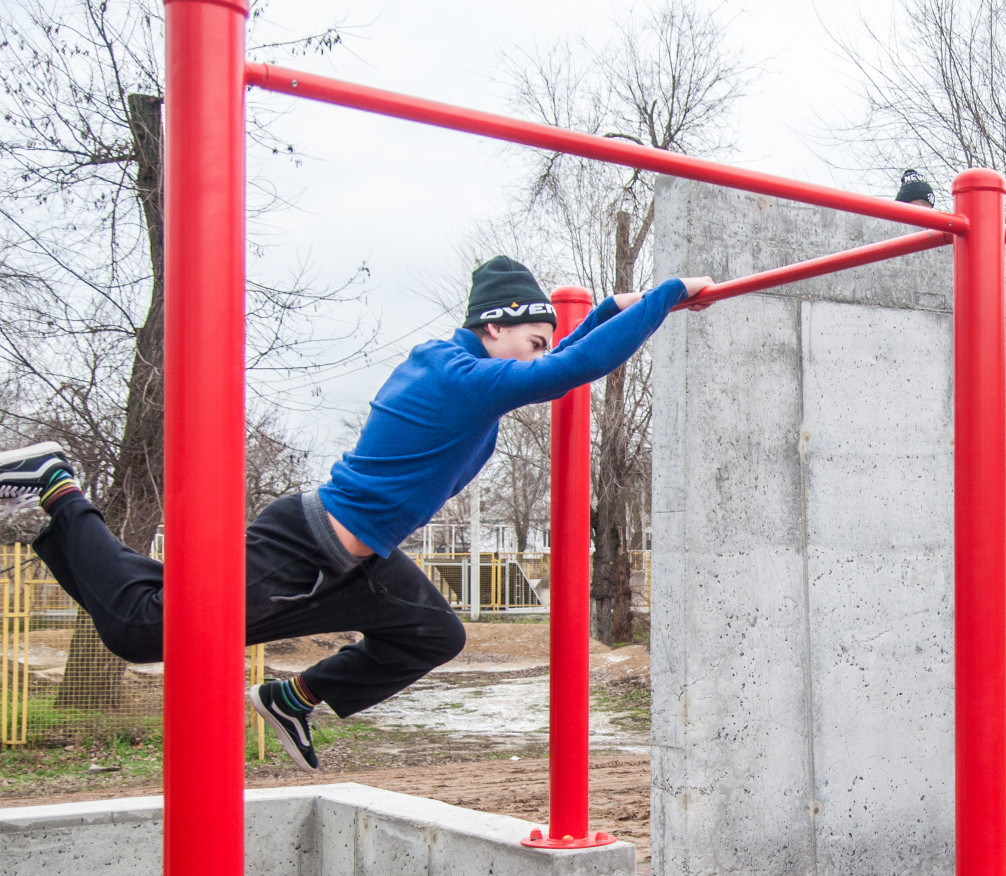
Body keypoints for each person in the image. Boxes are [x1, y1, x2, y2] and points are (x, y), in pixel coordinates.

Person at [0, 256, 712, 771]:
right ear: (496, 327)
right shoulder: (457, 377)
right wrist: (666, 295)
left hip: (359, 561)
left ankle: (293, 697)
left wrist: (616, 310)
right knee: (138, 626)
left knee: (433, 633)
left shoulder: (462, 369)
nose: (540, 353)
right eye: (533, 338)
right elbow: (566, 372)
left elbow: (562, 359)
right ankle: (56, 485)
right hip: (305, 549)